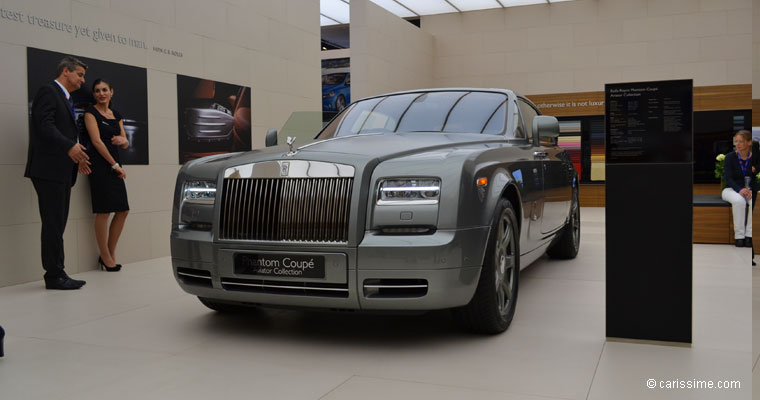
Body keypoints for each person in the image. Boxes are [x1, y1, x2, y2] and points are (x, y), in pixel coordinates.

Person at [24, 56, 89, 290]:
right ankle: (54, 276)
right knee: (53, 224)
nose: (82, 80)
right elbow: (44, 125)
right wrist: (69, 146)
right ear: (66, 71)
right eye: (80, 74)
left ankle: (57, 272)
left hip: (61, 170)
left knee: (57, 223)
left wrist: (77, 156)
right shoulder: (48, 91)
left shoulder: (64, 97)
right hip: (48, 170)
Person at [81, 78, 129, 272]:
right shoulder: (90, 113)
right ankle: (106, 256)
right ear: (94, 94)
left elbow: (125, 141)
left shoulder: (116, 114)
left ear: (111, 92)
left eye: (104, 90)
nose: (101, 93)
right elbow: (97, 141)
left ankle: (108, 253)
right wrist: (115, 165)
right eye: (97, 91)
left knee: (123, 210)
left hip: (115, 164)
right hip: (101, 165)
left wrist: (122, 140)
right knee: (104, 211)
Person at [722, 130, 756, 247]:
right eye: (736, 141)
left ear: (749, 142)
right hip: (731, 189)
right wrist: (740, 189)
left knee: (755, 201)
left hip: (750, 188)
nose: (737, 144)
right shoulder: (729, 157)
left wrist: (752, 189)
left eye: (741, 141)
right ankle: (739, 237)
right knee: (739, 201)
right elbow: (729, 179)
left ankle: (750, 235)